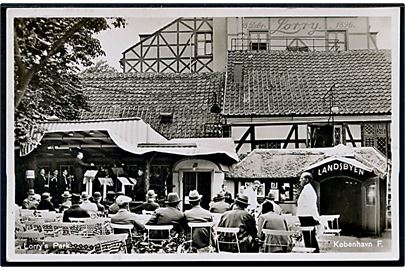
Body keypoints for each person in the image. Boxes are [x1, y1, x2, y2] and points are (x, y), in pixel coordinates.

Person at [296, 172, 320, 253]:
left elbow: (311, 205)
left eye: (301, 178)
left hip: (307, 217)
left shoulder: (308, 190)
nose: (300, 180)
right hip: (305, 217)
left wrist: (316, 217)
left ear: (306, 180)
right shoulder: (307, 189)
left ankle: (313, 254)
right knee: (308, 237)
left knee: (309, 237)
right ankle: (312, 252)